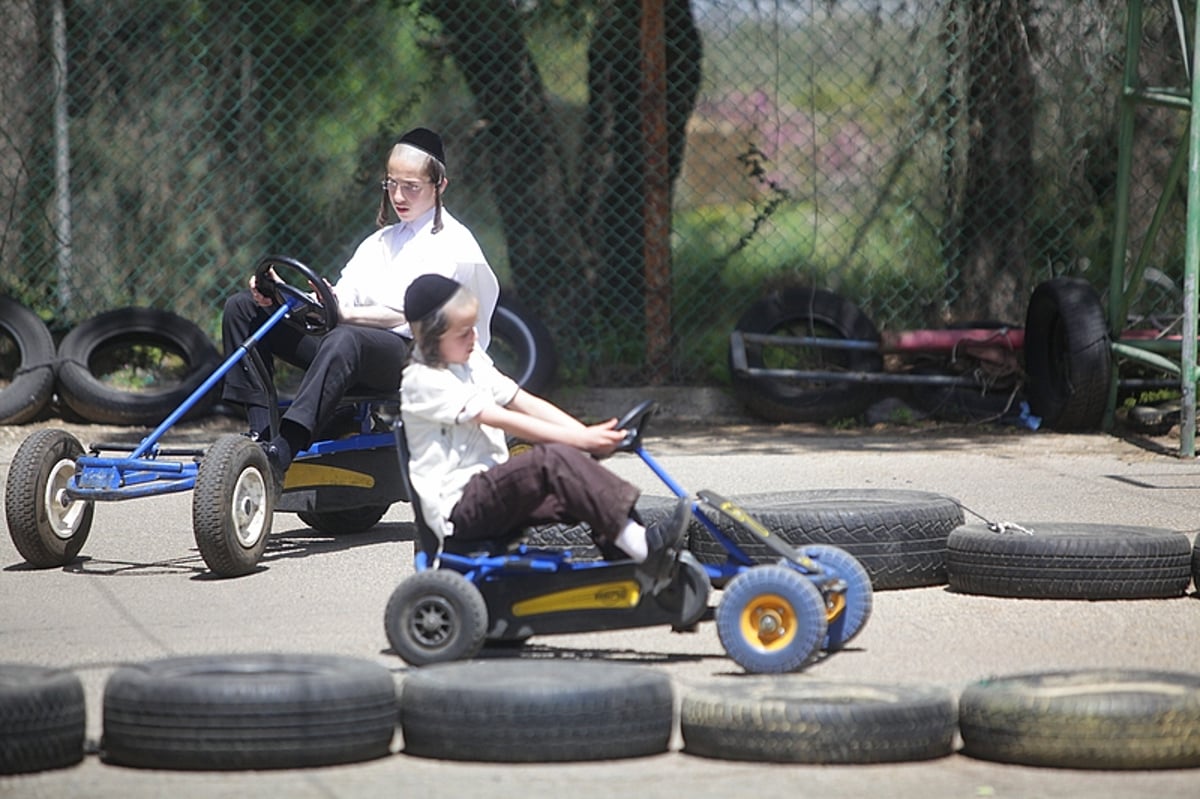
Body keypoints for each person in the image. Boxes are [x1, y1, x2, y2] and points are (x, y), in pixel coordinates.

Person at [220, 127, 500, 484]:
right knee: (243, 308)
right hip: (355, 346)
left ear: (439, 185)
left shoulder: (455, 243)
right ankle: (260, 438)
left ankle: (284, 449)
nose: (399, 195)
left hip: (420, 357)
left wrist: (343, 315)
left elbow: (412, 314)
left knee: (346, 339)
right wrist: (285, 297)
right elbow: (342, 298)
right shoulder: (380, 242)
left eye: (411, 186)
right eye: (391, 183)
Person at [399, 273, 688, 591]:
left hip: (489, 489)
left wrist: (587, 436)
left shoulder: (470, 361)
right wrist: (581, 441)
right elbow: (499, 418)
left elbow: (521, 401)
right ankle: (645, 550)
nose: (474, 339)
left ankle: (630, 562)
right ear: (430, 337)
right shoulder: (421, 380)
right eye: (463, 333)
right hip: (459, 506)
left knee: (582, 484)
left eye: (474, 330)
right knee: (550, 459)